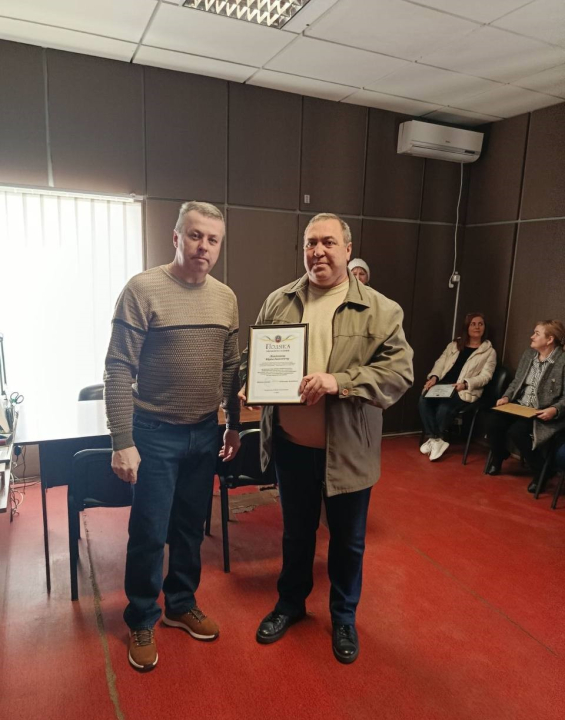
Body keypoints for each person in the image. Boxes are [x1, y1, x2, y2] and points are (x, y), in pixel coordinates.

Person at [239, 212, 413, 664]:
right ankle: (290, 604)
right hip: (291, 447)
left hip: (349, 450)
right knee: (296, 534)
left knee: (348, 541)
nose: (318, 251)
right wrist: (250, 380)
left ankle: (343, 616)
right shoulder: (278, 301)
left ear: (348, 250)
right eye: (311, 242)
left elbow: (399, 373)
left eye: (329, 242)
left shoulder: (381, 309)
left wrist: (340, 382)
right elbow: (253, 357)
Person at [104, 201, 241, 672]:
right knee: (148, 531)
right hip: (154, 433)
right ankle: (142, 616)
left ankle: (180, 603)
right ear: (177, 237)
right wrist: (122, 439)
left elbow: (231, 368)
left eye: (213, 239)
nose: (204, 246)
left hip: (204, 432)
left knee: (189, 527)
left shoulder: (225, 297)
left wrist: (233, 423)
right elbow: (118, 368)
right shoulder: (142, 289)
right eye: (195, 235)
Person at [485, 320, 565, 492]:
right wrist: (506, 396)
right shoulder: (529, 354)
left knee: (517, 432)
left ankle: (541, 471)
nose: (532, 336)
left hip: (542, 411)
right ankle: (499, 455)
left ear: (550, 339)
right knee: (492, 421)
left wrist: (555, 409)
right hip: (519, 405)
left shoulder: (562, 361)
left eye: (537, 333)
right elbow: (517, 381)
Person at [419, 313, 496, 461]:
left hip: (465, 389)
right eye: (473, 324)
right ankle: (436, 439)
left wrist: (466, 383)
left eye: (480, 324)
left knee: (444, 407)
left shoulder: (489, 351)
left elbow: (486, 376)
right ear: (467, 327)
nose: (477, 327)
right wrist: (434, 377)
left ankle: (435, 439)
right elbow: (440, 363)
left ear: (484, 328)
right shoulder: (454, 345)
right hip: (443, 385)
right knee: (424, 399)